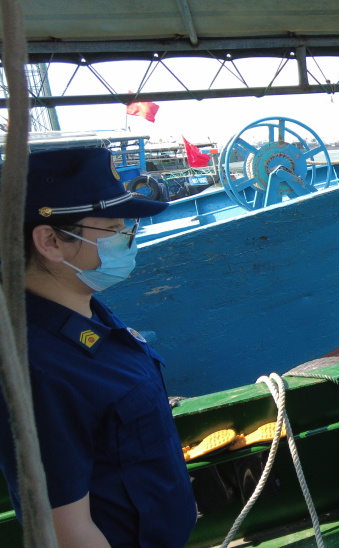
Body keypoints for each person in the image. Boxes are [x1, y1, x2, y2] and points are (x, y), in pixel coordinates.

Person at [0, 148, 197, 547]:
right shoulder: (37, 367)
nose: (129, 235)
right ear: (50, 240)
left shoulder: (84, 307)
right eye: (114, 227)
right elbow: (67, 530)